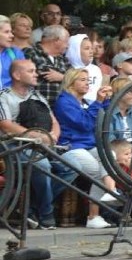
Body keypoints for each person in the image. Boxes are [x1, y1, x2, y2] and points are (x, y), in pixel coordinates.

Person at [0, 59, 66, 228]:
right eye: (31, 71)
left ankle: (30, 207)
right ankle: (46, 215)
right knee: (43, 166)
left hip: (43, 145)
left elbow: (54, 121)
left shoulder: (38, 96)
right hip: (14, 147)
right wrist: (36, 136)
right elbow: (6, 125)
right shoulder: (4, 96)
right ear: (17, 75)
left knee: (72, 166)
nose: (36, 74)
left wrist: (53, 136)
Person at [53, 68, 117, 229]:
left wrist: (106, 100)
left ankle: (110, 191)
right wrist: (98, 102)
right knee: (96, 170)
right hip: (70, 147)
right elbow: (84, 123)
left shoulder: (86, 102)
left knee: (111, 155)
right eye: (82, 79)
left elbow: (102, 117)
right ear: (71, 82)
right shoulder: (64, 101)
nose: (87, 83)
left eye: (88, 80)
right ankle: (94, 214)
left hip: (88, 145)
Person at [24, 24, 70, 108]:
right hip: (38, 108)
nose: (68, 46)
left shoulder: (64, 60)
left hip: (63, 110)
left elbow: (75, 79)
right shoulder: (30, 53)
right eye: (66, 41)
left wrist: (62, 77)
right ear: (56, 40)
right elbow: (25, 77)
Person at [64, 33, 102, 103]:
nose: (91, 52)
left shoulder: (96, 70)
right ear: (75, 50)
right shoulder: (66, 69)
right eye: (87, 48)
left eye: (91, 48)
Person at [0, 15, 25, 88]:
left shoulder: (16, 53)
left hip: (11, 97)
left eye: (11, 32)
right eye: (6, 32)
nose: (11, 35)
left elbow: (24, 79)